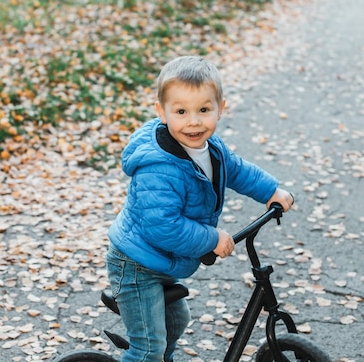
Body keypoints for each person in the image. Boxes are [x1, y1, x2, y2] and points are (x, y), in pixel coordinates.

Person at [106, 56, 294, 362]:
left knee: (176, 321)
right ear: (162, 112)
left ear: (221, 108)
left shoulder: (211, 147)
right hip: (136, 264)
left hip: (162, 261)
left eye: (204, 110)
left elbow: (237, 170)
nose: (193, 121)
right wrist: (211, 238)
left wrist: (270, 190)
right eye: (181, 111)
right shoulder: (158, 168)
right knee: (148, 349)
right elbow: (163, 225)